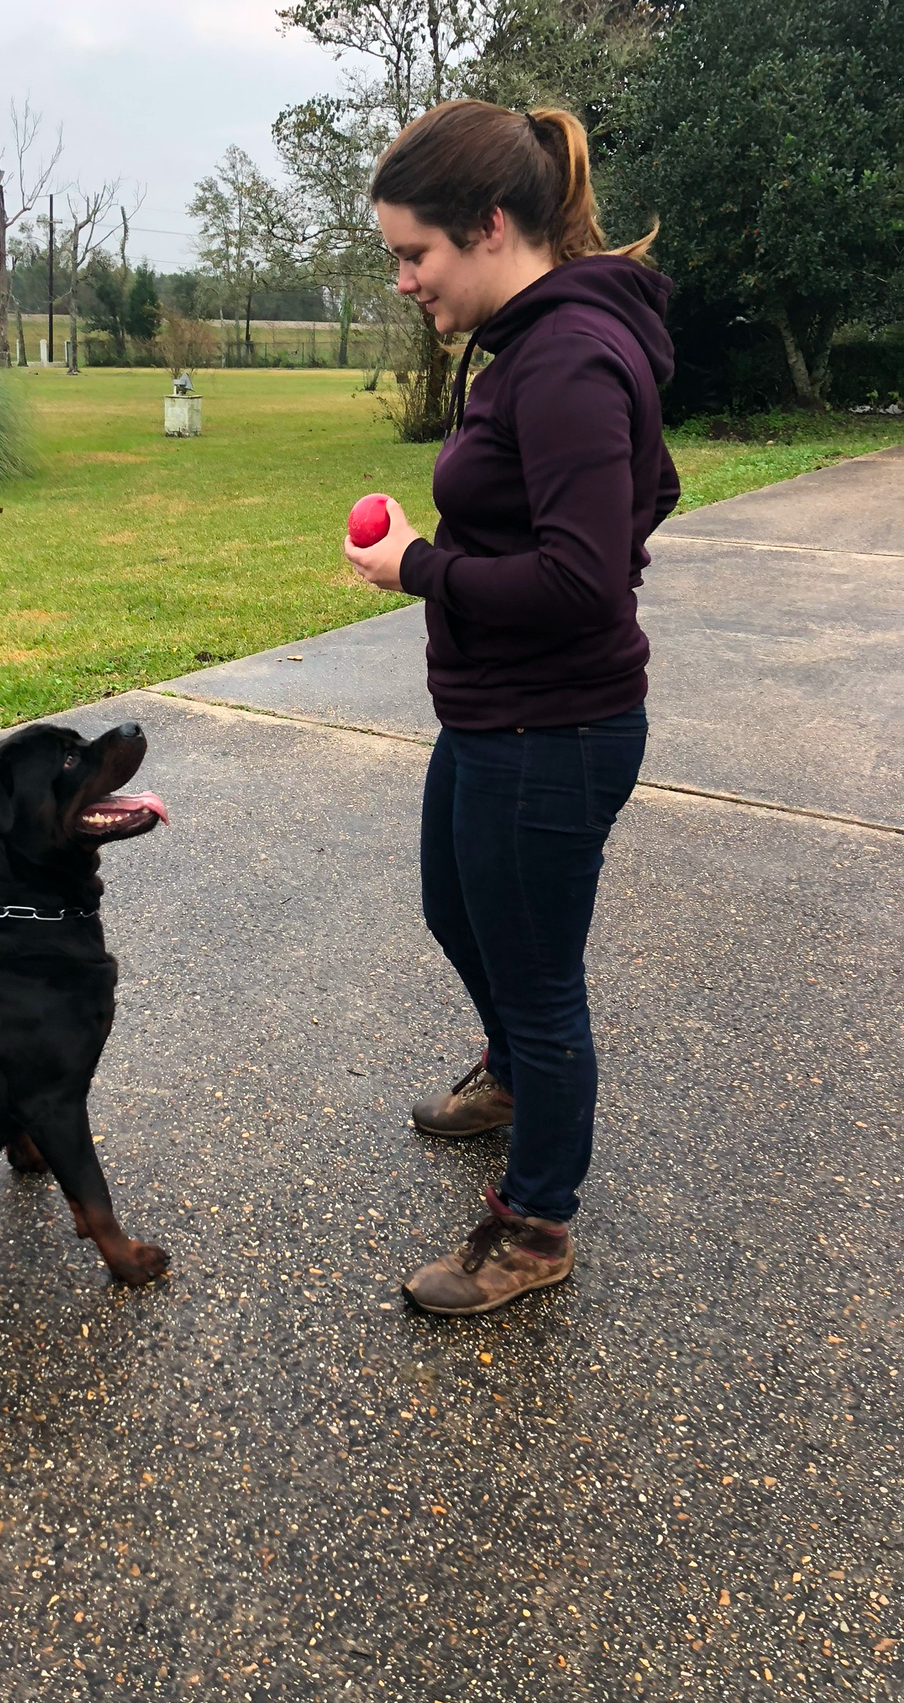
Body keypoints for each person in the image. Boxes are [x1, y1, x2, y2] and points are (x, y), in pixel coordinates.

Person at [344, 100, 679, 1317]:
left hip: (552, 728)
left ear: (489, 226)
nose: (403, 280)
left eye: (414, 253)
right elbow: (659, 484)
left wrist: (421, 567)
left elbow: (582, 577)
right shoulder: (534, 338)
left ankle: (536, 1224)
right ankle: (512, 1073)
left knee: (542, 983)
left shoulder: (569, 354)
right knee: (455, 903)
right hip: (503, 709)